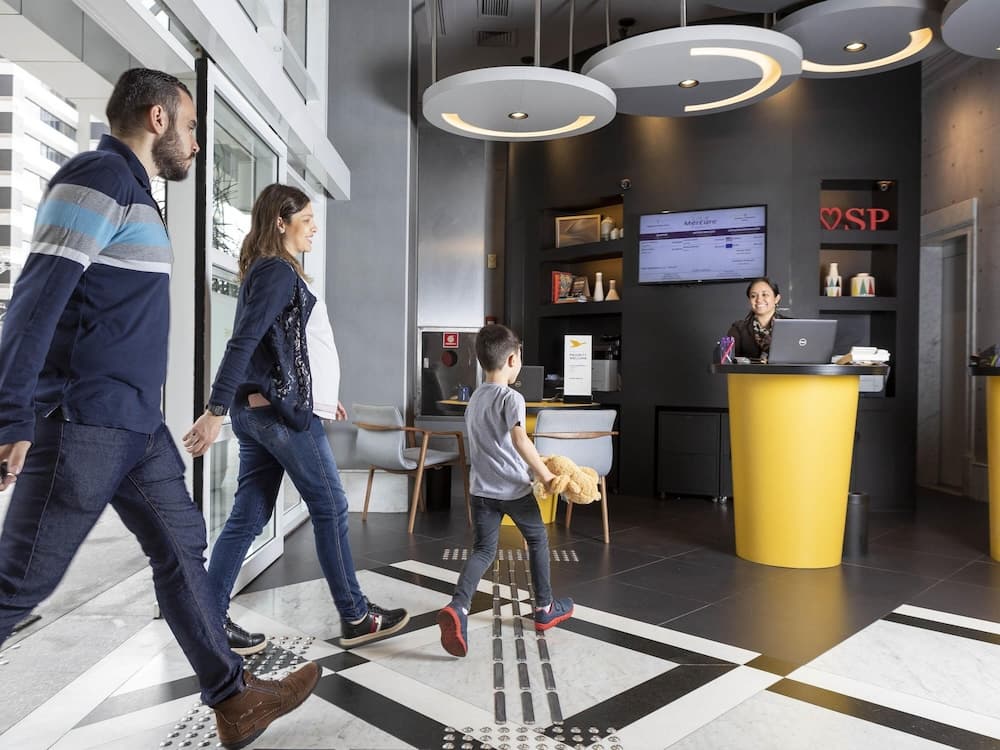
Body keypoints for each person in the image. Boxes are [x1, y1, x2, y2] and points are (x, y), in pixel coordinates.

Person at [0, 68, 317, 749]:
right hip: (86, 422)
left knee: (182, 549)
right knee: (19, 584)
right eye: (193, 126)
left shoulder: (136, 194)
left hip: (137, 428)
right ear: (158, 118)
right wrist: (12, 413)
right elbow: (36, 300)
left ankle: (234, 700)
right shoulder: (99, 177)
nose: (197, 144)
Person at [183, 183, 410, 650]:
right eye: (306, 220)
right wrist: (214, 410)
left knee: (248, 514)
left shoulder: (271, 270)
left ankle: (209, 619)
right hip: (279, 419)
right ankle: (357, 617)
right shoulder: (276, 271)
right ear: (280, 222)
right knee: (331, 506)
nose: (315, 228)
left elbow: (286, 350)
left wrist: (321, 397)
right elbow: (243, 343)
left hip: (270, 413)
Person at [436, 324, 574, 657]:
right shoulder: (512, 397)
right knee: (537, 540)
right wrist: (545, 475)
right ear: (512, 359)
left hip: (481, 491)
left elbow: (495, 444)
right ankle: (544, 608)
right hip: (514, 490)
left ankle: (458, 607)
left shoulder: (475, 398)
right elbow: (520, 439)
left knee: (483, 550)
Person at [727, 277, 788, 361]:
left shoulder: (792, 326)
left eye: (764, 294)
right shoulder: (738, 329)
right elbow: (729, 362)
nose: (759, 300)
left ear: (776, 299)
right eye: (753, 296)